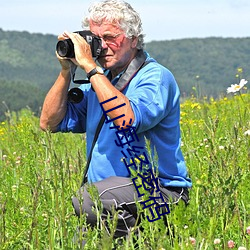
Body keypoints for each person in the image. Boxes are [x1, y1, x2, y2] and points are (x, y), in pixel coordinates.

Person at [40, 0, 192, 244]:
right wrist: (66, 70)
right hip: (110, 199)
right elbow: (49, 123)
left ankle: (148, 239)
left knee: (87, 200)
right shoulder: (99, 82)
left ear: (133, 39)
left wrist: (90, 67)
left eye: (110, 37)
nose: (102, 47)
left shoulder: (154, 77)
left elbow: (127, 120)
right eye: (96, 39)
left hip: (158, 191)